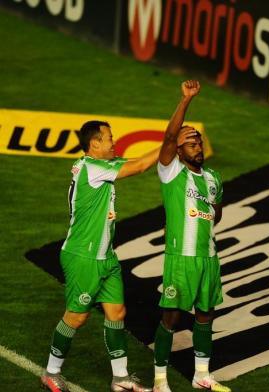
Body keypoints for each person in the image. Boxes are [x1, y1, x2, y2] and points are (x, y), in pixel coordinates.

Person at [41, 120, 159, 392]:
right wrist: (171, 143)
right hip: (83, 256)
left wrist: (167, 146)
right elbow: (140, 166)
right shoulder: (94, 168)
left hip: (105, 256)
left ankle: (120, 377)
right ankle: (51, 371)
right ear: (94, 143)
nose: (113, 141)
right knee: (76, 317)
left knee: (117, 311)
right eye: (109, 137)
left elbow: (140, 159)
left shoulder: (94, 165)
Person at [152, 80, 230, 392]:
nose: (196, 146)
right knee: (170, 318)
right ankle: (159, 381)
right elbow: (169, 136)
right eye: (190, 143)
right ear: (179, 151)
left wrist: (203, 222)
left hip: (209, 258)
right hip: (181, 259)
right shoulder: (171, 171)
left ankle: (201, 375)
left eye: (198, 142)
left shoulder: (213, 178)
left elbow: (217, 210)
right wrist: (185, 101)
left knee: (205, 316)